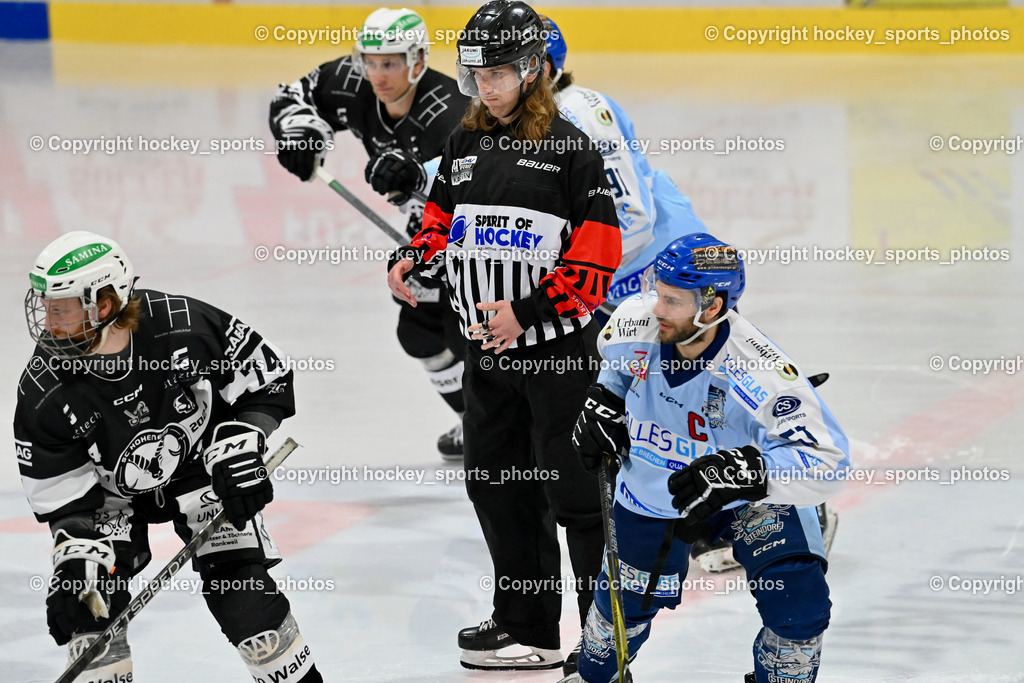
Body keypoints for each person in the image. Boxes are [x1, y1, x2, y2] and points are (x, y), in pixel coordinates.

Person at [539, 15, 838, 584]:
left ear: (546, 69)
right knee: (653, 407)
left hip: (664, 272)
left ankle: (797, 507)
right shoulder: (535, 119)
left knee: (719, 397)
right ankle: (698, 519)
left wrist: (574, 282)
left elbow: (633, 218)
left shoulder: (579, 113)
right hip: (624, 286)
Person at [386, 0, 621, 670]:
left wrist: (529, 310)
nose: (484, 86)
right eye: (474, 74)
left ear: (531, 69)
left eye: (497, 73)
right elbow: (441, 217)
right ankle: (529, 626)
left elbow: (599, 256)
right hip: (484, 355)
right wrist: (414, 257)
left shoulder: (571, 151)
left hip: (555, 356)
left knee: (574, 495)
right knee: (497, 483)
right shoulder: (465, 141)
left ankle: (603, 636)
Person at [16, 231, 322, 683]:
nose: (47, 322)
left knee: (249, 608)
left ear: (103, 305)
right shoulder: (43, 389)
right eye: (45, 306)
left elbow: (267, 379)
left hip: (202, 470)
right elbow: (67, 501)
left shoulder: (183, 325)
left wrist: (242, 443)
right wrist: (76, 556)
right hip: (109, 498)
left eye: (59, 308)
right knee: (91, 625)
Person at [563, 233, 850, 682]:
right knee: (623, 617)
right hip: (655, 489)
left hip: (747, 498)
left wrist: (749, 470)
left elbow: (828, 462)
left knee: (798, 604)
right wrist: (604, 400)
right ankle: (595, 671)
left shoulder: (759, 372)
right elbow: (617, 366)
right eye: (658, 292)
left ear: (712, 307)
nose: (657, 307)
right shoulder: (635, 321)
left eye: (673, 301)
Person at [269, 7, 471, 460]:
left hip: (475, 231)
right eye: (371, 61)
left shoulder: (452, 111)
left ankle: (506, 427)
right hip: (426, 227)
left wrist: (418, 176)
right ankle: (474, 422)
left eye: (391, 63)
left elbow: (486, 182)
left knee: (472, 333)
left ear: (417, 61)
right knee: (419, 333)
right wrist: (300, 133)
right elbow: (292, 96)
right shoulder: (352, 81)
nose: (378, 75)